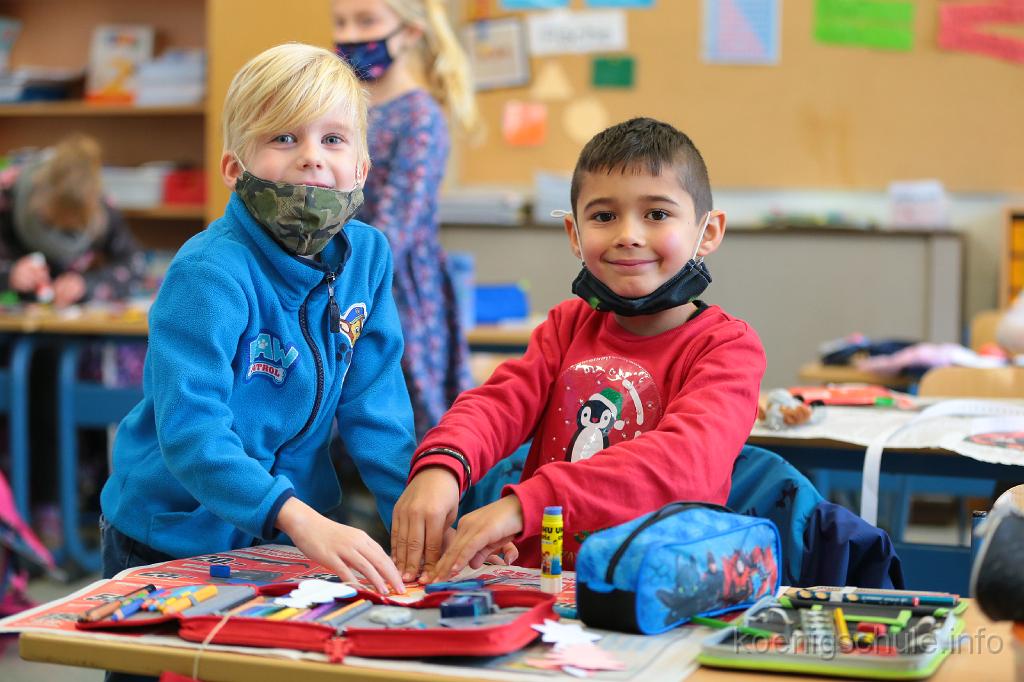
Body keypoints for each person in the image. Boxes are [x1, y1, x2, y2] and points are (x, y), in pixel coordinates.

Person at [392, 117, 767, 582]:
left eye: (657, 214)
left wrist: (525, 506)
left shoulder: (727, 348)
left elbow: (682, 465)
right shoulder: (567, 326)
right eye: (604, 216)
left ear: (708, 232)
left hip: (655, 591)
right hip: (543, 583)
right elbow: (498, 404)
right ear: (574, 234)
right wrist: (443, 466)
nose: (628, 234)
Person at [99, 43, 413, 596]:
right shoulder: (208, 271)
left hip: (289, 534)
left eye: (333, 139)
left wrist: (418, 526)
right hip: (173, 534)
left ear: (361, 168)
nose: (312, 157)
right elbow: (192, 429)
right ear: (233, 168)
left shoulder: (368, 257)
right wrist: (297, 517)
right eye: (283, 138)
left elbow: (376, 409)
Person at [332, 0, 475, 439]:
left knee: (400, 420)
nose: (350, 34)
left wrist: (336, 274)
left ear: (410, 32)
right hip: (332, 279)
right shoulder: (340, 108)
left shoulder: (420, 116)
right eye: (340, 22)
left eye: (367, 21)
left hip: (393, 290)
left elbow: (396, 229)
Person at [0, 133, 146, 307]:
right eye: (51, 222)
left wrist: (86, 285)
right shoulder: (8, 195)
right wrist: (9, 274)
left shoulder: (102, 209)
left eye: (71, 228)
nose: (60, 232)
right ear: (39, 192)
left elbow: (134, 265)